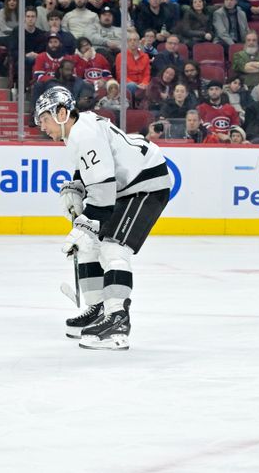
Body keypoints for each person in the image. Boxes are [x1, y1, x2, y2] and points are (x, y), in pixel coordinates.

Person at [35, 86, 170, 350]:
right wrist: (76, 187)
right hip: (125, 186)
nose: (42, 126)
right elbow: (88, 171)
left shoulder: (84, 133)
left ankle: (117, 319)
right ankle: (99, 309)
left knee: (113, 248)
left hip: (145, 185)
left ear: (62, 113)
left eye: (45, 119)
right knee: (89, 247)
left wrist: (83, 225)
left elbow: (104, 194)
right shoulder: (74, 133)